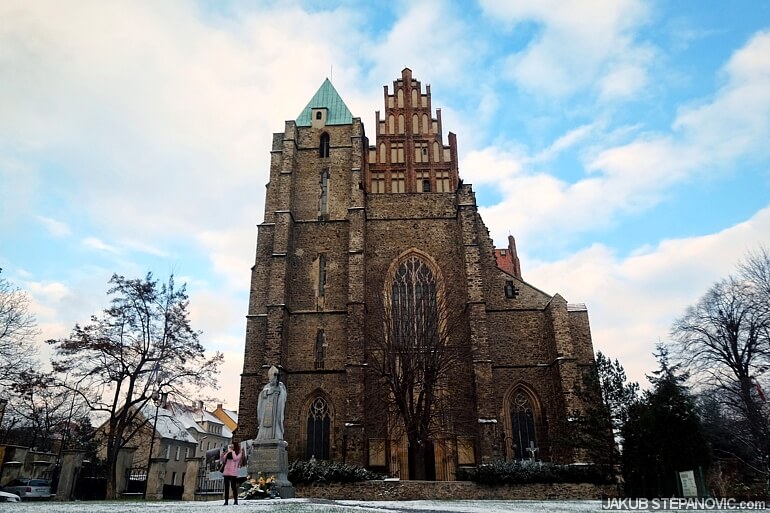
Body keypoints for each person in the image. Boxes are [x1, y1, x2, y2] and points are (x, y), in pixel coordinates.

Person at [256, 365, 287, 440]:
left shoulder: (280, 386)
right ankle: (263, 436)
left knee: (275, 425)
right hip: (266, 413)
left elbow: (283, 396)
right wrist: (266, 393)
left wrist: (278, 391)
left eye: (273, 379)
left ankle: (276, 435)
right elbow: (261, 398)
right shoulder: (266, 386)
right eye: (271, 379)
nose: (272, 381)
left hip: (275, 414)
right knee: (264, 424)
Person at [220, 440, 246, 505]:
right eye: (231, 446)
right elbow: (223, 459)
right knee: (226, 487)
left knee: (233, 487)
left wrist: (233, 452)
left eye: (233, 446)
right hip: (226, 472)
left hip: (233, 472)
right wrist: (223, 453)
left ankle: (235, 500)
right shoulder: (229, 453)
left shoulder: (239, 453)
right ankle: (226, 501)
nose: (231, 447)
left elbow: (235, 459)